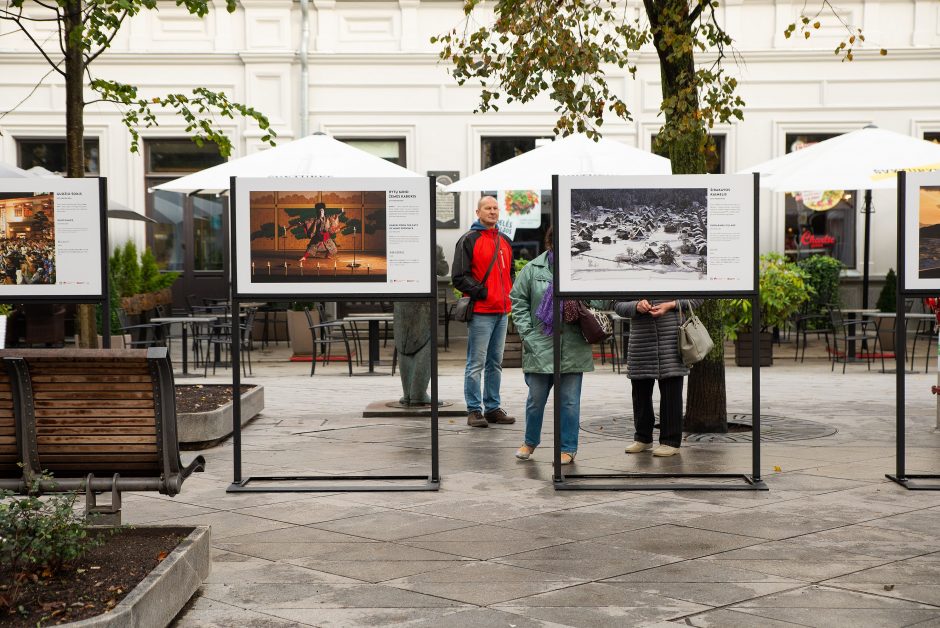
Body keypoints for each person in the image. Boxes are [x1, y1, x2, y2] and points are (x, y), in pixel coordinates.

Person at [511, 227, 608, 464]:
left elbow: (601, 300)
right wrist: (528, 335)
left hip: (573, 346)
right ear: (551, 242)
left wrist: (579, 293)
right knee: (535, 400)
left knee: (570, 402)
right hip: (540, 345)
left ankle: (567, 448)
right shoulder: (533, 269)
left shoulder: (582, 268)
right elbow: (518, 301)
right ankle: (530, 442)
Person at [452, 196, 515, 428]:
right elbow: (458, 276)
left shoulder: (505, 240)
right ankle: (474, 410)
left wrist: (509, 294)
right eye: (487, 208)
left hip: (502, 311)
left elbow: (510, 274)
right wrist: (484, 292)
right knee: (476, 363)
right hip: (481, 311)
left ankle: (492, 408)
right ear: (478, 212)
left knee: (495, 363)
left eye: (495, 208)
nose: (492, 211)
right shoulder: (468, 239)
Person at [614, 297, 702, 457]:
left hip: (672, 340)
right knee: (640, 392)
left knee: (671, 393)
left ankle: (671, 441)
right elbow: (617, 304)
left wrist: (671, 305)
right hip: (640, 341)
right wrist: (636, 306)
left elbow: (698, 298)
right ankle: (643, 438)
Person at [393, 245, 449, 406]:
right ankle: (417, 394)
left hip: (401, 301)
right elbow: (443, 269)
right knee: (424, 344)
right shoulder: (434, 248)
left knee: (404, 346)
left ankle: (409, 394)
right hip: (423, 303)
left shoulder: (396, 245)